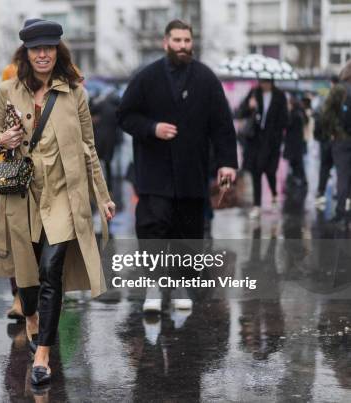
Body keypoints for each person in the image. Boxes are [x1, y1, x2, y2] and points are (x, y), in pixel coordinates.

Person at [0, 19, 115, 386]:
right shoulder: (7, 90)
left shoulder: (74, 92)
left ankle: (43, 353)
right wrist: (3, 140)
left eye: (49, 48)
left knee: (51, 271)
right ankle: (30, 317)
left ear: (58, 51)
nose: (43, 54)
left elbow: (89, 148)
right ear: (26, 53)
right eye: (35, 48)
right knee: (26, 280)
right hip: (22, 194)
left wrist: (103, 197)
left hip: (62, 194)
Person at [116, 19, 237, 312]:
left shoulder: (206, 79)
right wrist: (152, 127)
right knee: (153, 228)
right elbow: (125, 115)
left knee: (187, 233)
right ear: (165, 42)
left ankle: (181, 285)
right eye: (177, 40)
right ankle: (154, 288)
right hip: (153, 170)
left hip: (191, 171)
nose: (183, 46)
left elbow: (222, 124)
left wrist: (227, 163)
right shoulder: (146, 77)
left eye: (187, 41)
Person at [238, 78, 288, 218]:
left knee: (270, 171)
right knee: (256, 172)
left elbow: (285, 119)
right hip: (255, 139)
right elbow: (241, 113)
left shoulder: (279, 95)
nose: (263, 84)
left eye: (266, 81)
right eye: (261, 81)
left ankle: (274, 194)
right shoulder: (254, 93)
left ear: (272, 82)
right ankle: (257, 205)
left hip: (272, 141)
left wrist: (276, 131)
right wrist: (250, 106)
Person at [321, 61, 351, 223]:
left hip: (341, 140)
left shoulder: (339, 89)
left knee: (343, 176)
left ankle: (341, 212)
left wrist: (333, 131)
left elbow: (325, 113)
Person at [314, 75, 340, 207]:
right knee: (340, 168)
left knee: (325, 167)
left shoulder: (325, 99)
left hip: (327, 139)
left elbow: (317, 116)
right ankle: (339, 193)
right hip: (336, 140)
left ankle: (321, 192)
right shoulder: (342, 97)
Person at [283, 94, 308, 187]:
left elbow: (287, 125)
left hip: (293, 143)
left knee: (296, 163)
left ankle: (299, 179)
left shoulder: (294, 114)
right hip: (297, 143)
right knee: (297, 162)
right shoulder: (299, 113)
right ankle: (298, 178)